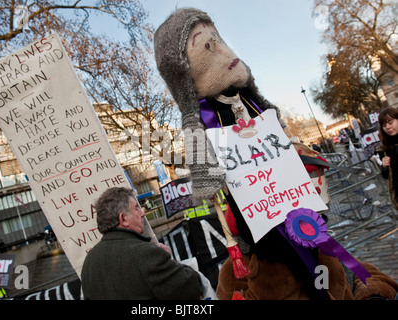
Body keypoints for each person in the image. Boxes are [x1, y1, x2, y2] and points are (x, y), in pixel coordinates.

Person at [154, 8, 398, 300]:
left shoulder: (251, 101)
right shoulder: (206, 118)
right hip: (264, 232)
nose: (223, 50)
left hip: (298, 212)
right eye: (208, 45)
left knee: (328, 262)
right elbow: (207, 181)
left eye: (218, 39)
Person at [80, 187, 203, 300]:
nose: (142, 213)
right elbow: (191, 288)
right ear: (123, 219)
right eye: (136, 208)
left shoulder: (89, 261)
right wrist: (171, 262)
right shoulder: (145, 253)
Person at [378, 107, 398, 209]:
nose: (388, 127)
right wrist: (384, 167)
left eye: (390, 122)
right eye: (384, 125)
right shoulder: (384, 149)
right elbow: (386, 176)